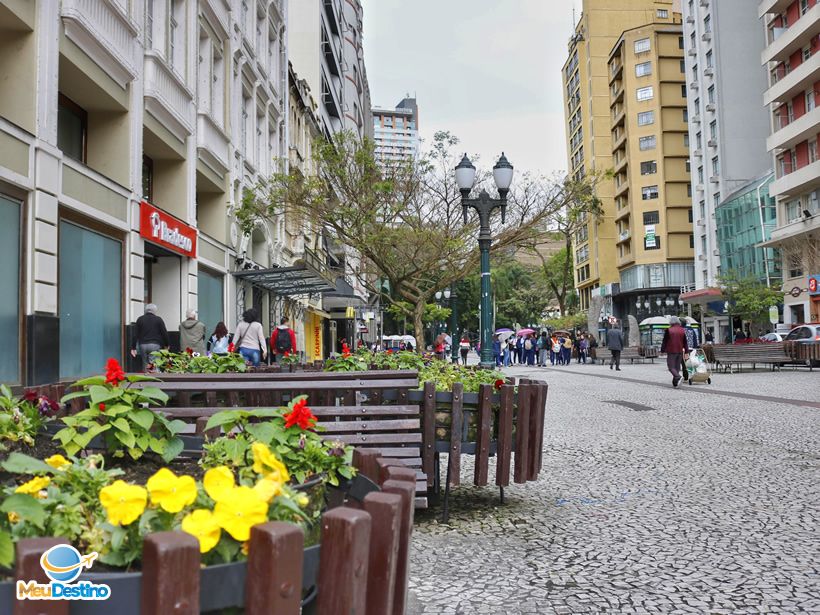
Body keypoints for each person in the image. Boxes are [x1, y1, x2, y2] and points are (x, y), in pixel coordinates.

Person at [131, 303, 169, 370]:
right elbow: (164, 333)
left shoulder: (140, 319)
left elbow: (135, 334)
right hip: (155, 345)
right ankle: (154, 375)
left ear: (146, 310)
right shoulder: (158, 319)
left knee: (145, 363)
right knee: (154, 363)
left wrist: (133, 348)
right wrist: (167, 345)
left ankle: (146, 375)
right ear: (155, 310)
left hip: (142, 345)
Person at [661, 316, 690, 387]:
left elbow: (665, 341)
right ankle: (675, 383)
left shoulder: (669, 330)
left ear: (671, 322)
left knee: (671, 366)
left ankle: (678, 377)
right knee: (677, 367)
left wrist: (662, 350)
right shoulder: (682, 330)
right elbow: (685, 342)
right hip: (680, 351)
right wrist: (686, 351)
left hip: (671, 351)